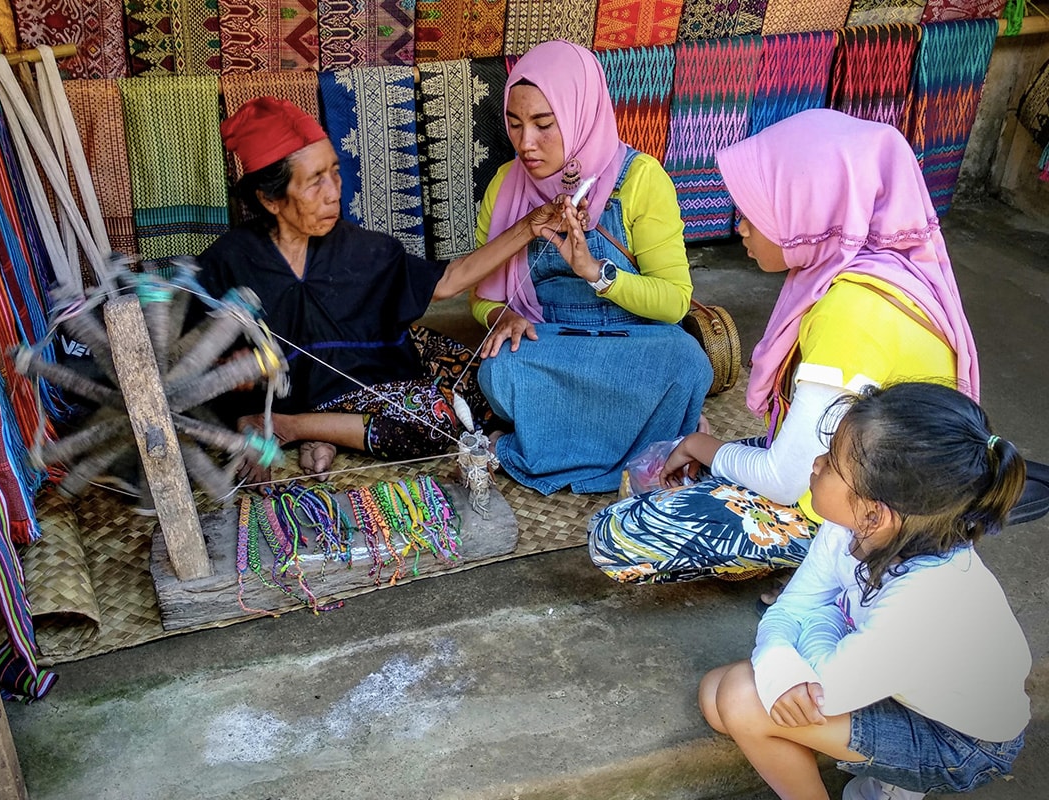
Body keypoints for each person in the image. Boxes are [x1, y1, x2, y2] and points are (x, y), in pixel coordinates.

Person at [588, 108, 980, 587]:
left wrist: (697, 443)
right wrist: (712, 455)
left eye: (756, 211)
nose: (741, 229)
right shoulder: (874, 275)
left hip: (874, 516)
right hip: (866, 479)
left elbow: (786, 478)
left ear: (809, 207)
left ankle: (836, 563)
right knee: (700, 467)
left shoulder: (852, 311)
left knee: (622, 532)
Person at [196, 97, 561, 478]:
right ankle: (291, 426)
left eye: (334, 172)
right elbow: (195, 363)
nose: (334, 192)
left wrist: (529, 226)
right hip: (296, 398)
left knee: (496, 394)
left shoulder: (364, 249)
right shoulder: (228, 262)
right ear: (269, 199)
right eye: (314, 181)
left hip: (377, 381)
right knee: (432, 423)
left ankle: (314, 430)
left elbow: (449, 281)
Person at [699, 382, 1030, 800]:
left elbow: (825, 681)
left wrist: (822, 617)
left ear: (876, 514)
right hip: (882, 680)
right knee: (717, 695)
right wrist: (781, 660)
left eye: (832, 461)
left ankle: (891, 784)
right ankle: (884, 777)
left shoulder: (928, 597)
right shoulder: (849, 528)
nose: (816, 463)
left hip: (961, 744)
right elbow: (791, 607)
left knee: (741, 698)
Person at [470, 39, 712, 495]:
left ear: (582, 113)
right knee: (499, 370)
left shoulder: (640, 179)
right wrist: (506, 317)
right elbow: (481, 295)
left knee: (686, 362)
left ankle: (542, 445)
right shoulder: (507, 186)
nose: (526, 143)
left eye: (544, 125)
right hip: (553, 340)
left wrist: (595, 271)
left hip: (636, 338)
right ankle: (646, 443)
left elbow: (675, 302)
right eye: (515, 124)